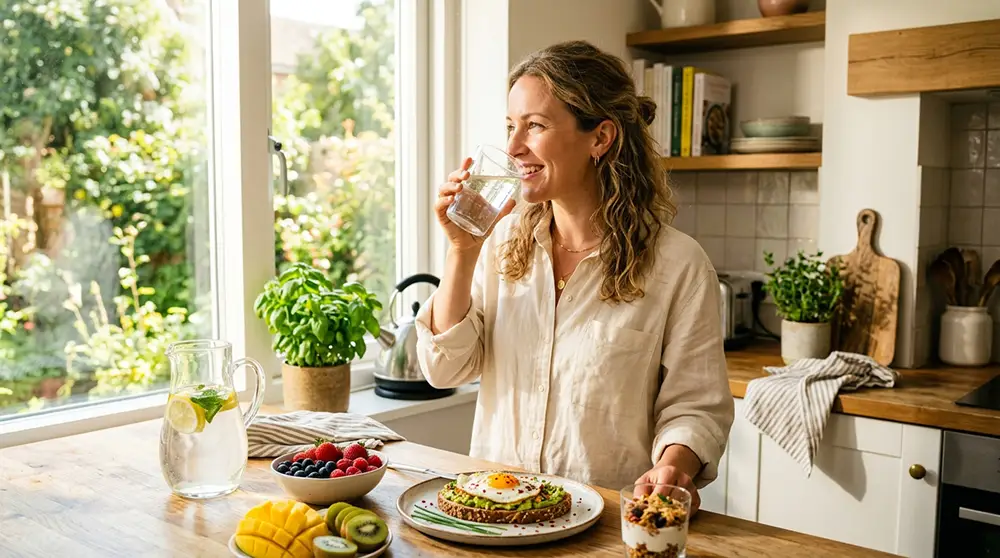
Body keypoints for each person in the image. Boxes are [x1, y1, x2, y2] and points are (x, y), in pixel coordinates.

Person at [413, 40, 733, 514]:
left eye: (535, 126)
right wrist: (461, 251)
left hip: (602, 522)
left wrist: (674, 463)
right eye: (510, 126)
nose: (514, 147)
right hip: (494, 516)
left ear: (599, 138)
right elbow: (443, 370)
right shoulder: (499, 246)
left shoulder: (679, 266)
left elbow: (695, 407)